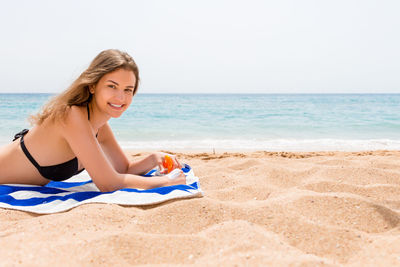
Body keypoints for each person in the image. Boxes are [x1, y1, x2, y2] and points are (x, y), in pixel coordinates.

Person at [0, 49, 186, 191]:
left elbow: (123, 170)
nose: (120, 98)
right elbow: (108, 183)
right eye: (112, 86)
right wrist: (166, 181)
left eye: (128, 89)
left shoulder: (99, 126)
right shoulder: (72, 115)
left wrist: (155, 158)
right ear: (92, 86)